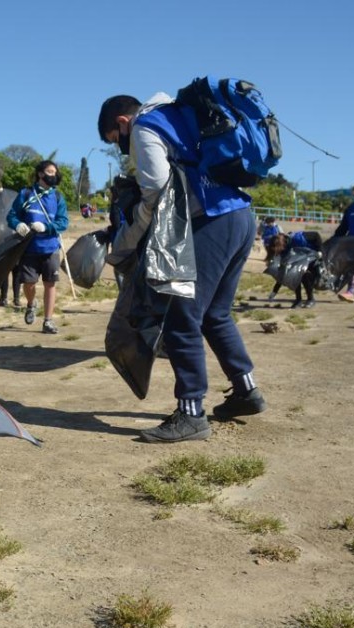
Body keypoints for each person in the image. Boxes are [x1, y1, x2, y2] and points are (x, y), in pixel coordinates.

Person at [98, 93, 266, 443]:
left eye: (117, 141)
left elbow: (156, 193)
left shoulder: (145, 127)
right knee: (216, 313)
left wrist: (125, 242)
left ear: (123, 123)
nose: (121, 148)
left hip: (212, 220)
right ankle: (245, 390)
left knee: (180, 313)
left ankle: (191, 413)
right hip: (242, 218)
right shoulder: (175, 115)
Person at [5, 160, 69, 334]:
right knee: (29, 283)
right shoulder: (26, 194)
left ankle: (48, 321)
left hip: (51, 248)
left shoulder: (57, 197)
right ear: (40, 174)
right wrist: (18, 225)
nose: (54, 175)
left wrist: (47, 228)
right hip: (29, 249)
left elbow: (63, 222)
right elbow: (12, 216)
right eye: (50, 172)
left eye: (55, 172)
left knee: (50, 284)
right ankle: (31, 304)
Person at [265, 232, 321, 309]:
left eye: (277, 250)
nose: (277, 253)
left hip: (314, 256)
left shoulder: (298, 238)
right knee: (292, 274)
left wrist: (320, 251)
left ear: (280, 245)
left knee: (305, 276)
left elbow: (316, 235)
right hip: (302, 258)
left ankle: (311, 299)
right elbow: (283, 274)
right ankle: (298, 300)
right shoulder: (284, 252)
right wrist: (274, 291)